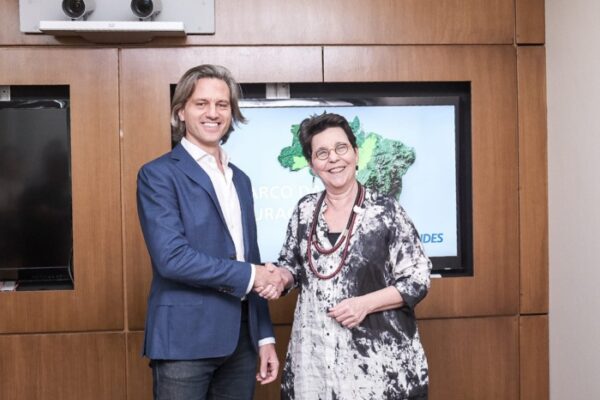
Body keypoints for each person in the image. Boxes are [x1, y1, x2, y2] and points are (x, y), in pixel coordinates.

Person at [136, 64, 286, 399]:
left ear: (231, 114)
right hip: (184, 343)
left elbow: (252, 259)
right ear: (181, 112)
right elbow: (172, 259)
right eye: (201, 103)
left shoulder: (241, 179)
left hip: (242, 343)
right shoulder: (158, 175)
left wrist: (264, 338)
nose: (212, 113)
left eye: (222, 105)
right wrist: (253, 275)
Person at [271, 112, 432, 399]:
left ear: (356, 154)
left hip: (378, 367)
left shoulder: (386, 212)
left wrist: (364, 304)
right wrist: (279, 277)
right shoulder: (305, 211)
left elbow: (417, 279)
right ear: (312, 165)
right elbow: (292, 267)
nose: (333, 158)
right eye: (322, 153)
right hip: (315, 363)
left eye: (341, 148)